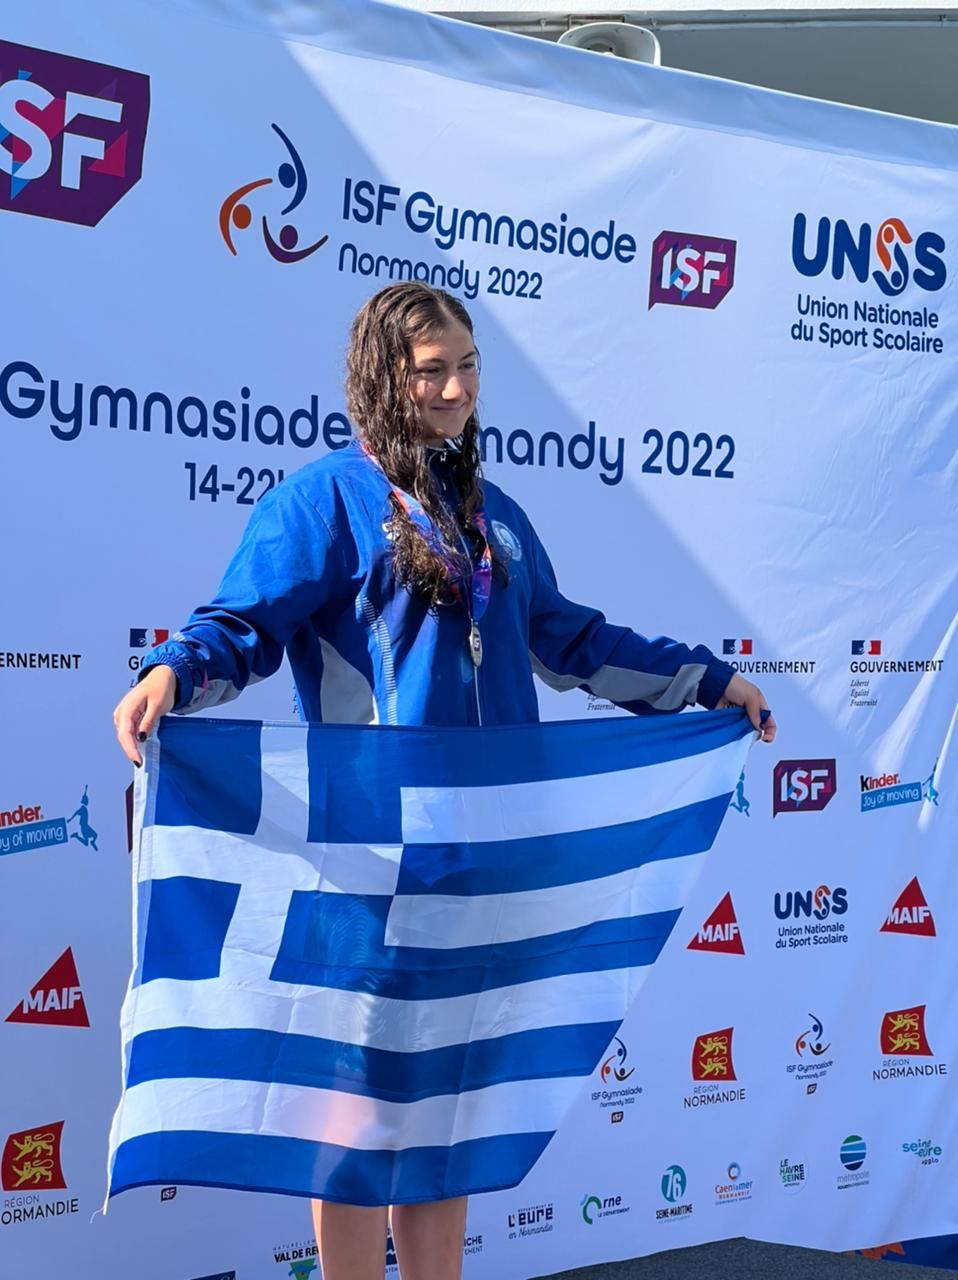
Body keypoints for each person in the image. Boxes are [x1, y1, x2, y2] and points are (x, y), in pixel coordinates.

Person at [114, 281, 776, 1280]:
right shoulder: (322, 502)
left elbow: (573, 641)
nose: (457, 388)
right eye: (433, 370)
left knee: (447, 1118)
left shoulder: (493, 515)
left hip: (484, 870)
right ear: (385, 376)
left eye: (468, 366)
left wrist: (706, 679)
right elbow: (241, 625)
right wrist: (174, 669)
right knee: (351, 1119)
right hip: (367, 866)